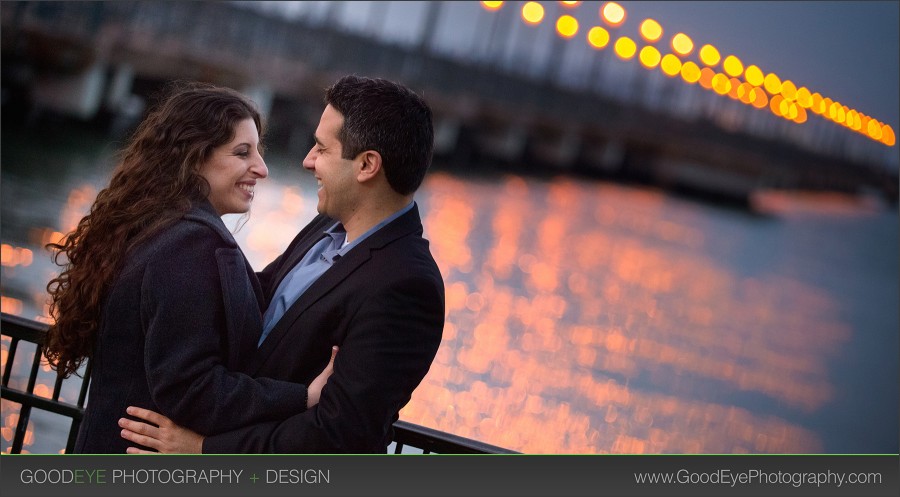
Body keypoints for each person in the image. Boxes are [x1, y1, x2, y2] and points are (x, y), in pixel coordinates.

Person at [119, 74, 445, 453]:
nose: (308, 160)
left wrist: (205, 450)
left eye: (321, 149)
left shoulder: (407, 284)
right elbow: (251, 301)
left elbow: (339, 436)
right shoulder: (325, 224)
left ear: (367, 165)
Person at [43, 81, 336, 453]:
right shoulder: (191, 244)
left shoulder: (152, 223)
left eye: (258, 152)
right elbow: (190, 388)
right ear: (195, 157)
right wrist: (301, 397)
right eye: (242, 153)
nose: (261, 168)